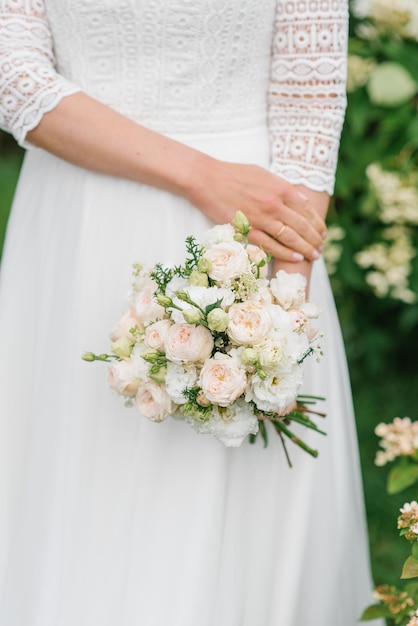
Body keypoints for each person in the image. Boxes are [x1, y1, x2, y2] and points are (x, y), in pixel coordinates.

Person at [0, 1, 383, 625]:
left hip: (251, 227)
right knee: (80, 471)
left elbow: (308, 97)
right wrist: (199, 175)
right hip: (82, 220)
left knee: (236, 487)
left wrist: (281, 304)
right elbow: (13, 75)